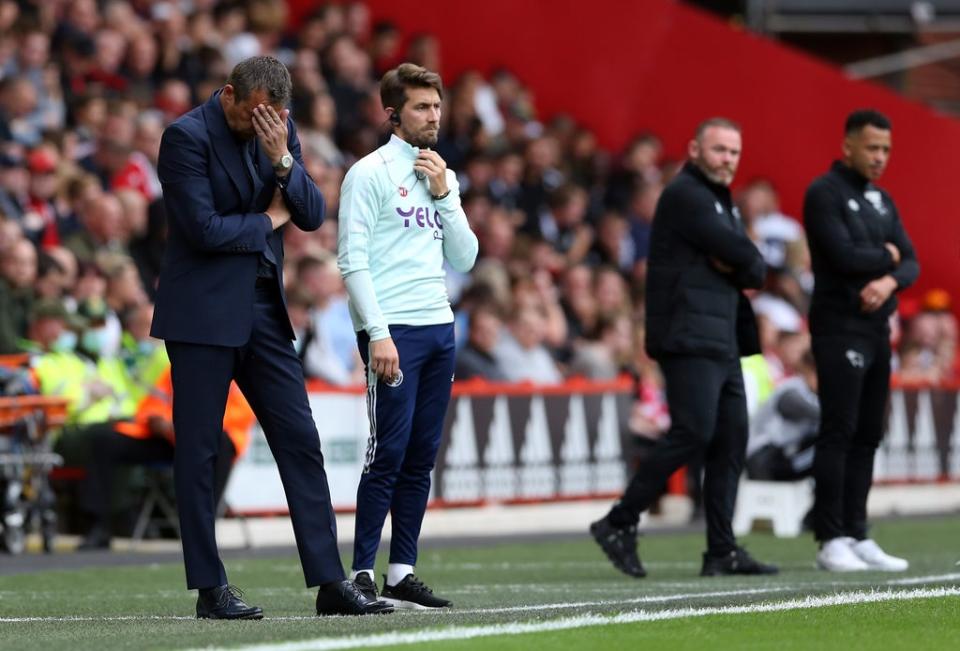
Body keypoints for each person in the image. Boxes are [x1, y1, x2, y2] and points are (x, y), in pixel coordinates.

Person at [150, 56, 392, 619]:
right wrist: (268, 219)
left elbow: (309, 212)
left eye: (276, 119)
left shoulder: (277, 130)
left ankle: (330, 582)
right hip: (203, 316)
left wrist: (282, 159)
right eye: (255, 116)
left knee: (300, 440)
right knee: (202, 452)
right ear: (230, 94)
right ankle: (211, 589)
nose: (263, 126)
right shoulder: (185, 137)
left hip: (263, 310)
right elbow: (202, 230)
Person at [590, 117, 778, 578]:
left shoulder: (719, 201)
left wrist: (742, 260)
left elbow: (755, 268)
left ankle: (721, 549)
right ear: (695, 150)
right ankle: (619, 520)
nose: (727, 160)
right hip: (690, 334)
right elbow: (747, 260)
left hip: (723, 337)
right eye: (719, 150)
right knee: (693, 432)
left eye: (734, 152)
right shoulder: (688, 195)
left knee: (731, 440)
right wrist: (741, 260)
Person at [337, 62, 479, 609]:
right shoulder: (369, 174)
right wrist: (377, 333)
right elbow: (352, 262)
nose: (433, 116)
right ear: (393, 114)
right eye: (422, 107)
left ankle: (401, 571)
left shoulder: (440, 174)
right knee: (387, 451)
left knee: (422, 453)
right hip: (393, 328)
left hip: (438, 326)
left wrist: (445, 194)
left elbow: (464, 258)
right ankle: (361, 574)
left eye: (437, 106)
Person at [804, 109, 918, 572]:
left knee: (870, 432)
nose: (880, 157)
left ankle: (857, 531)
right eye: (872, 147)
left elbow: (910, 262)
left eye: (886, 150)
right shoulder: (823, 193)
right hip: (838, 325)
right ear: (847, 144)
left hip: (876, 329)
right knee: (840, 428)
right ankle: (830, 537)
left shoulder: (882, 201)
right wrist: (885, 256)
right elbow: (844, 256)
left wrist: (890, 281)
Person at [745, 350, 819, 481]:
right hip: (763, 457)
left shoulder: (813, 394)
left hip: (784, 455)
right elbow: (820, 415)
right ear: (808, 369)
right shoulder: (793, 391)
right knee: (828, 445)